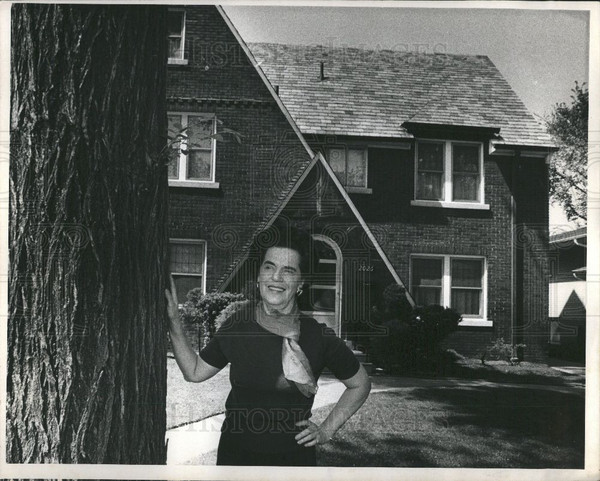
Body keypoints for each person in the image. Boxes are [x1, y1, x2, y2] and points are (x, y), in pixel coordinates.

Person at [166, 224, 371, 466]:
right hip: (236, 458)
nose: (276, 277)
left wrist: (327, 430)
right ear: (259, 276)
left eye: (288, 271)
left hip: (292, 462)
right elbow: (195, 371)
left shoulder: (318, 337)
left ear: (301, 282)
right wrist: (174, 324)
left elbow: (360, 384)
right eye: (269, 267)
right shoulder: (238, 326)